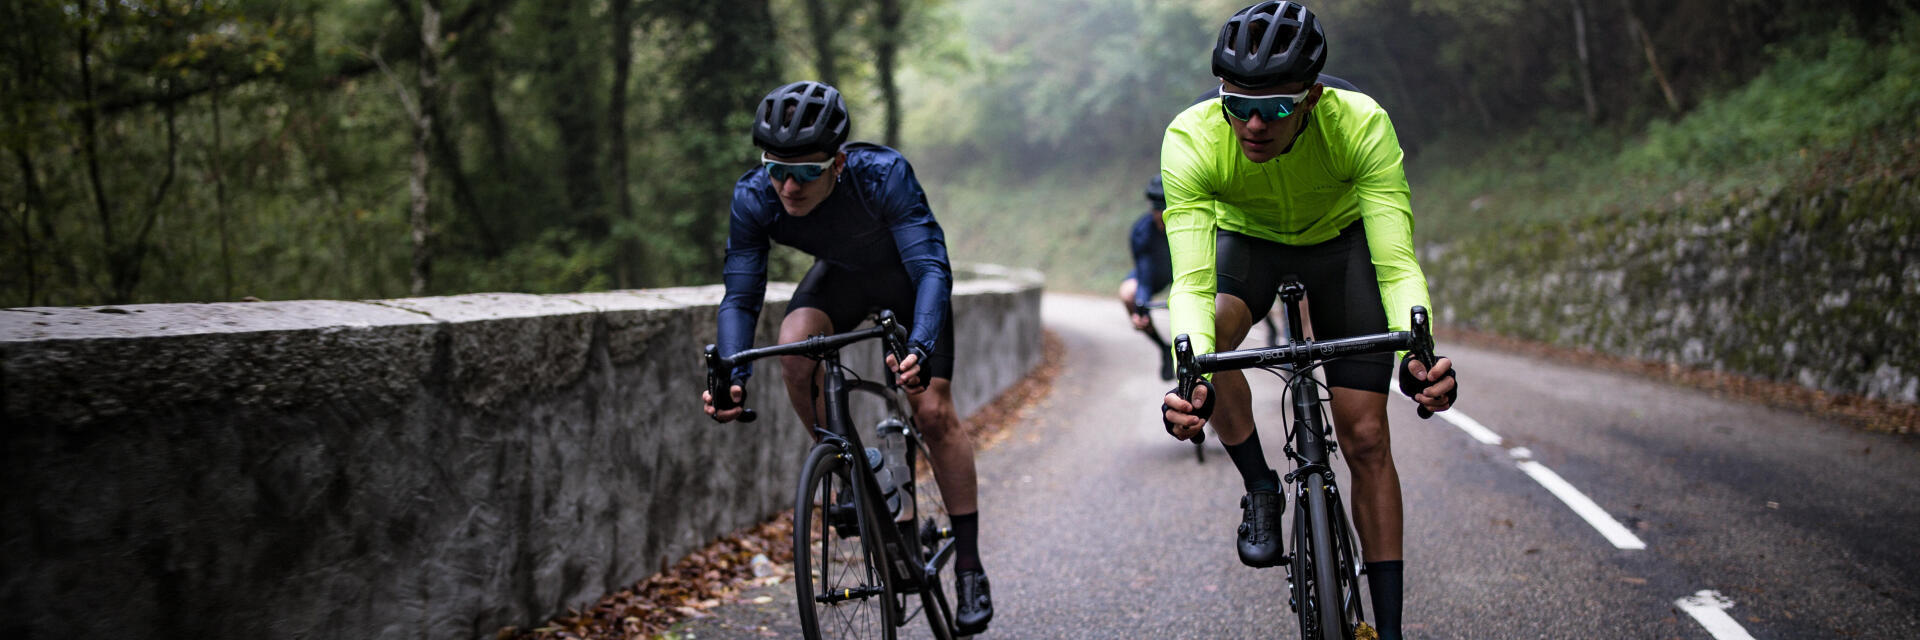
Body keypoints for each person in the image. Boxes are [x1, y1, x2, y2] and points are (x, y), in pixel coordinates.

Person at [1155, 4, 1459, 639]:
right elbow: (1190, 283)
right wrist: (1190, 379)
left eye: (1279, 108)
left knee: (1367, 435)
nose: (1256, 125)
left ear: (1314, 98)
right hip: (1250, 246)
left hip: (1341, 246)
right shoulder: (1191, 137)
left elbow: (1396, 262)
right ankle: (1262, 486)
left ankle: (1391, 629)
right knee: (1211, 343)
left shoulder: (1361, 124)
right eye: (1238, 106)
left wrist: (1418, 353)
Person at [701, 80, 993, 634]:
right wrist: (732, 374)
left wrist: (921, 346)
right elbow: (740, 297)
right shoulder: (755, 196)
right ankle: (844, 465)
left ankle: (971, 567)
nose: (788, 185)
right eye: (775, 168)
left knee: (931, 411)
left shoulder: (883, 176)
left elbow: (931, 269)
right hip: (845, 282)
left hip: (910, 285)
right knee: (794, 344)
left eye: (806, 172)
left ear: (837, 163)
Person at [1118, 176, 1177, 380]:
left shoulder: (1188, 220)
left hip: (1186, 268)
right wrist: (1141, 305)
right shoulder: (1142, 231)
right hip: (1156, 273)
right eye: (1156, 212)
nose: (1160, 218)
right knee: (1128, 294)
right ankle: (1164, 348)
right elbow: (1144, 273)